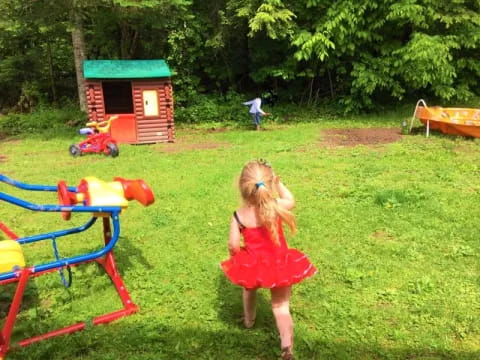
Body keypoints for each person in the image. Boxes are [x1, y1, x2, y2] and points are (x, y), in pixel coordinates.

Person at [221, 160, 317, 360]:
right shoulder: (276, 205)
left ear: (242, 187)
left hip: (253, 265)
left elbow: (233, 245)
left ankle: (249, 321)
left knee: (249, 290)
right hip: (280, 263)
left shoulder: (238, 215)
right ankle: (287, 347)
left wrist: (236, 257)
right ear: (267, 184)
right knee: (281, 307)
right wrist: (279, 184)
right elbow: (291, 199)